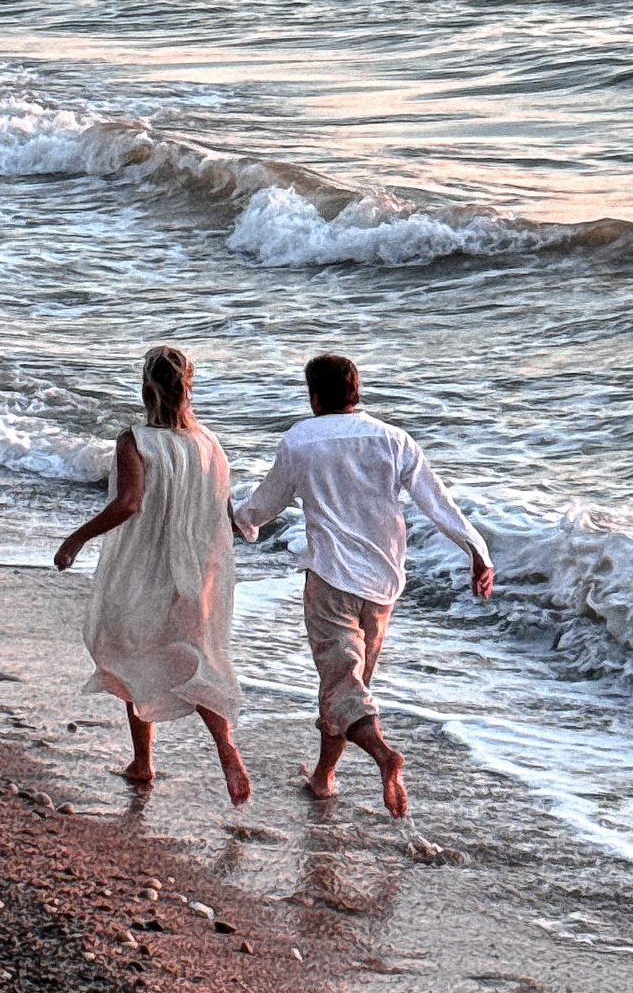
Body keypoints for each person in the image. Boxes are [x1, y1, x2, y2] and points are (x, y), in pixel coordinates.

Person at [236, 350, 492, 817]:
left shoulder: (301, 440)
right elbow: (438, 502)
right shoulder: (394, 439)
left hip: (331, 578)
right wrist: (477, 551)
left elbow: (266, 502)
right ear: (357, 392)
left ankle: (385, 756)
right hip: (383, 583)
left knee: (341, 685)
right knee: (348, 686)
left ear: (314, 396)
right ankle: (323, 777)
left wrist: (240, 522)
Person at [53, 344, 251, 807]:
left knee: (129, 650)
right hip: (200, 569)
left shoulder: (135, 440)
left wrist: (76, 539)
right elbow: (224, 511)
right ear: (188, 388)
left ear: (146, 389)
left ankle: (143, 761)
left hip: (147, 567)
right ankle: (224, 747)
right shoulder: (210, 443)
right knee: (196, 656)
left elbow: (129, 504)